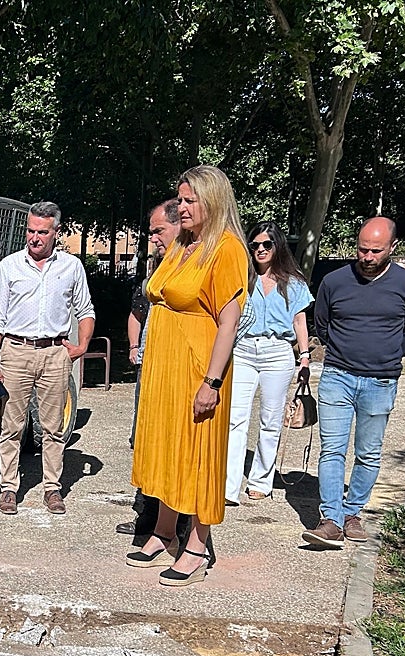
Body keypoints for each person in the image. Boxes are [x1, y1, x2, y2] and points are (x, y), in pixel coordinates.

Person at [128, 165, 248, 586]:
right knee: (165, 445)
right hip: (164, 367)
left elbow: (228, 322)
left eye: (189, 200)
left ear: (212, 201)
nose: (181, 207)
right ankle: (163, 530)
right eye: (179, 199)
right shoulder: (181, 243)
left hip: (198, 366)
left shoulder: (227, 248)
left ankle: (197, 544)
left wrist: (211, 382)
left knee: (198, 453)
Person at [302, 217, 405, 548]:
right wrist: (342, 352)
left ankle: (353, 512)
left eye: (375, 251)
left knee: (368, 453)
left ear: (391, 247)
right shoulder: (334, 281)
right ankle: (330, 519)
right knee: (332, 450)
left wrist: (386, 355)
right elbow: (323, 324)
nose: (367, 257)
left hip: (381, 380)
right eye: (362, 249)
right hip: (337, 377)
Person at [0, 201, 95, 516]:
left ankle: (52, 488)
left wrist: (82, 345)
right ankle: (8, 487)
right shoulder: (9, 266)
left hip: (54, 353)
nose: (35, 237)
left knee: (53, 426)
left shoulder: (71, 267)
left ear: (55, 232)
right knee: (11, 425)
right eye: (30, 230)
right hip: (16, 351)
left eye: (42, 232)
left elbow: (85, 310)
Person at [224, 221, 313, 504]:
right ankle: (229, 484)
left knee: (271, 420)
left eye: (266, 244)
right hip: (244, 349)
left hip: (278, 351)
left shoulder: (293, 282)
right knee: (235, 418)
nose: (260, 250)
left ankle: (262, 480)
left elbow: (300, 320)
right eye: (255, 245)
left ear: (277, 246)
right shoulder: (241, 278)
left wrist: (305, 356)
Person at [117, 199, 181, 537]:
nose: (152, 238)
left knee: (173, 442)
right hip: (151, 366)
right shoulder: (155, 272)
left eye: (159, 231)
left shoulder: (191, 268)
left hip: (180, 369)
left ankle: (175, 520)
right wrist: (136, 348)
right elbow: (139, 314)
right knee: (144, 437)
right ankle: (147, 512)